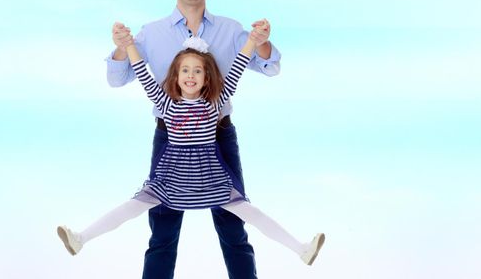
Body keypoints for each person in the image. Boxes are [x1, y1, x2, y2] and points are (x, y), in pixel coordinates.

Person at [57, 32, 325, 268]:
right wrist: (128, 45)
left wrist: (253, 41)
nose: (191, 76)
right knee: (132, 207)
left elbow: (238, 69)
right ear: (176, 74)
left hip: (209, 177)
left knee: (249, 212)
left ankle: (301, 249)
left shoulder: (215, 102)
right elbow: (141, 71)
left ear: (207, 76)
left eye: (197, 71)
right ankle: (80, 238)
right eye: (185, 70)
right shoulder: (165, 103)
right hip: (171, 177)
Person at [103, 0, 280, 279]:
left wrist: (263, 43)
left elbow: (268, 66)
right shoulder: (151, 33)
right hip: (169, 136)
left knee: (232, 221)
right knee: (163, 224)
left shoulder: (230, 29)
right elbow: (119, 77)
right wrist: (119, 47)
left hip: (219, 136)